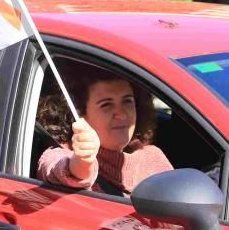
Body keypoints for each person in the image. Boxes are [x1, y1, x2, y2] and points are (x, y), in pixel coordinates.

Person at [36, 62, 172, 196]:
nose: (121, 114)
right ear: (80, 114)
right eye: (106, 105)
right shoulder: (61, 155)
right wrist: (83, 160)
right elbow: (57, 169)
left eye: (127, 101)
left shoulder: (152, 157)